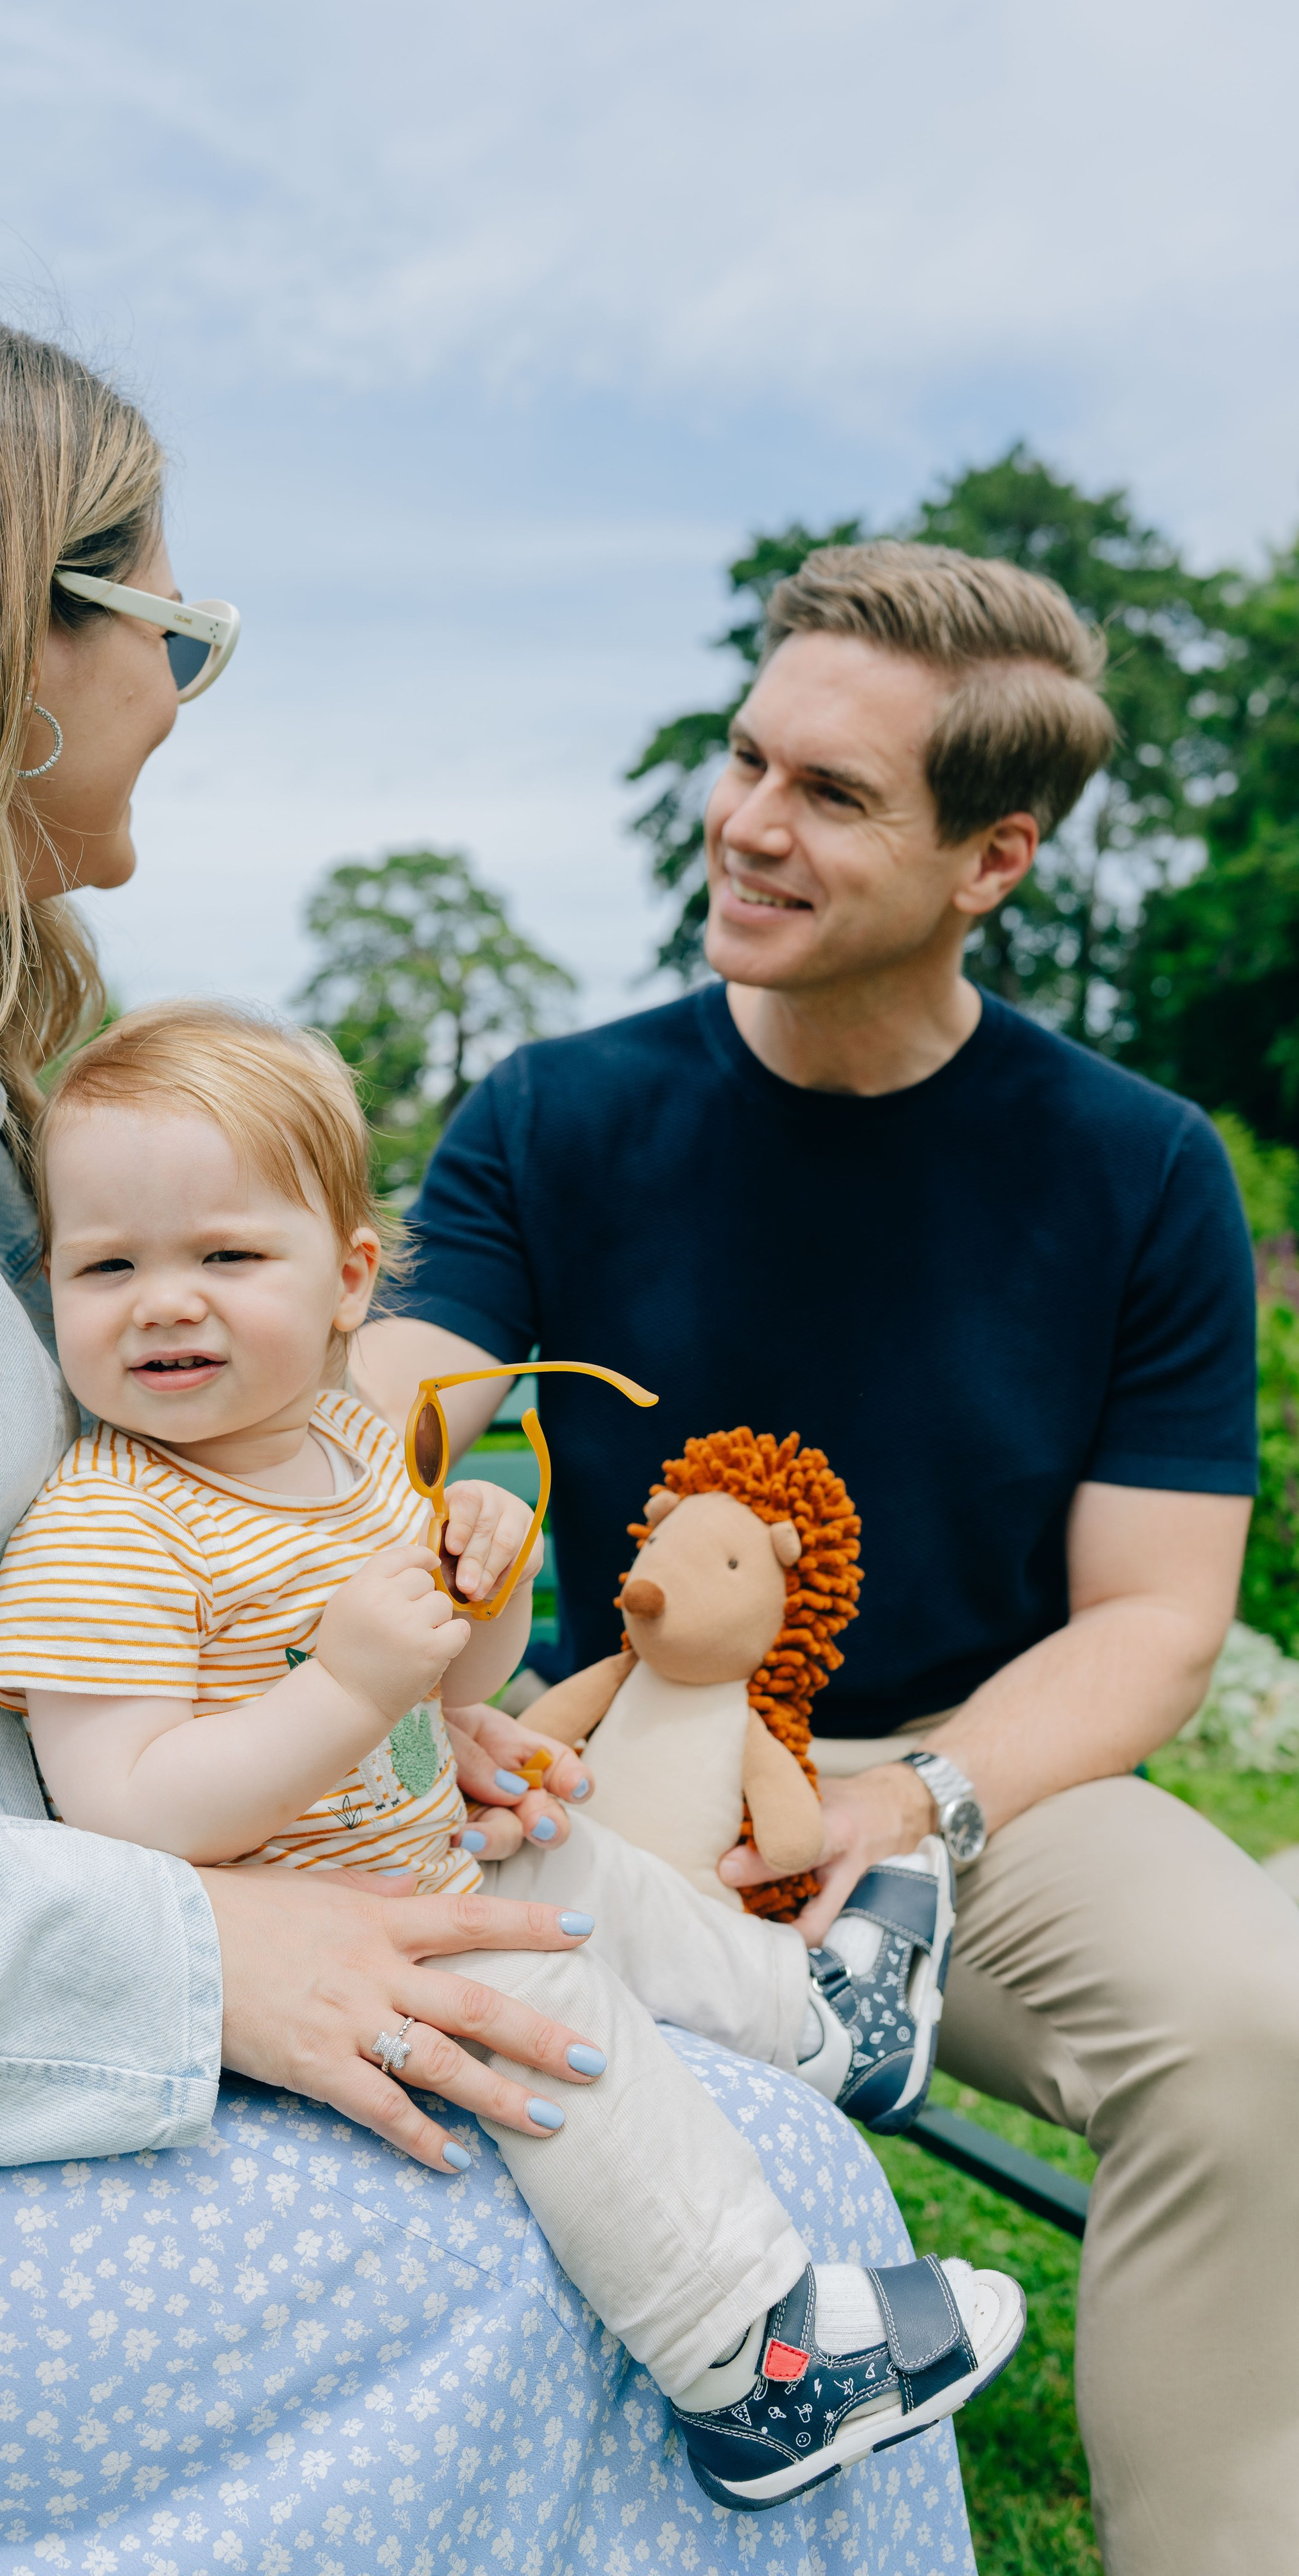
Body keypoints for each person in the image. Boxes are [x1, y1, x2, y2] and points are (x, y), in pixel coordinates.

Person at [0, 301, 974, 2575]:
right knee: (723, 2229)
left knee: (686, 2126)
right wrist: (198, 1961)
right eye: (180, 638)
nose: (186, 702)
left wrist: (391, 1741)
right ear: (21, 647)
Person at [354, 539, 1299, 2575]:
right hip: (601, 1748)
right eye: (748, 755)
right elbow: (415, 1411)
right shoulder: (552, 1116)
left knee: (1250, 2025)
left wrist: (907, 1805)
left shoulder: (1139, 1171)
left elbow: (1154, 1614)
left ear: (995, 861)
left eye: (834, 795)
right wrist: (442, 1497)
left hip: (970, 1786)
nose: (749, 826)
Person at [0, 997, 1024, 2512]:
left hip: (410, 1848)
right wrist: (341, 1690)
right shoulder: (107, 1528)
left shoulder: (340, 1450)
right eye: (107, 1265)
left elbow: (452, 1682)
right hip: (308, 1953)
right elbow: (123, 1814)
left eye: (224, 1257)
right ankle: (752, 2360)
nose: (161, 1304)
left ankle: (816, 2019)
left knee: (570, 1853)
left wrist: (491, 1579)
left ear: (345, 1283)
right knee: (541, 2002)